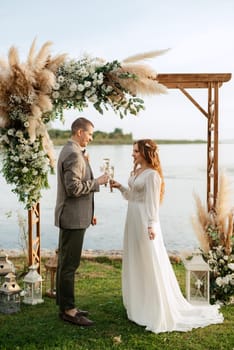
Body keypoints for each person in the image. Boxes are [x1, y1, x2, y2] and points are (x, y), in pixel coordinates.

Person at [110, 139, 224, 333]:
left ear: (145, 153)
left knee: (150, 261)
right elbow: (133, 196)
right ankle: (138, 303)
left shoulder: (153, 175)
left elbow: (152, 204)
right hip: (132, 220)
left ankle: (154, 307)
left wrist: (151, 225)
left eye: (136, 151)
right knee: (136, 259)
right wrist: (120, 186)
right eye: (133, 151)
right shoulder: (136, 172)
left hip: (145, 222)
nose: (133, 154)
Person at [54, 117, 109, 326]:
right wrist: (98, 182)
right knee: (69, 265)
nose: (91, 138)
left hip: (74, 215)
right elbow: (74, 189)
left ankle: (64, 305)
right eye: (90, 134)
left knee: (65, 264)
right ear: (79, 132)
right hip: (72, 219)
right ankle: (69, 310)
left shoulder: (74, 152)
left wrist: (89, 212)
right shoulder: (74, 154)